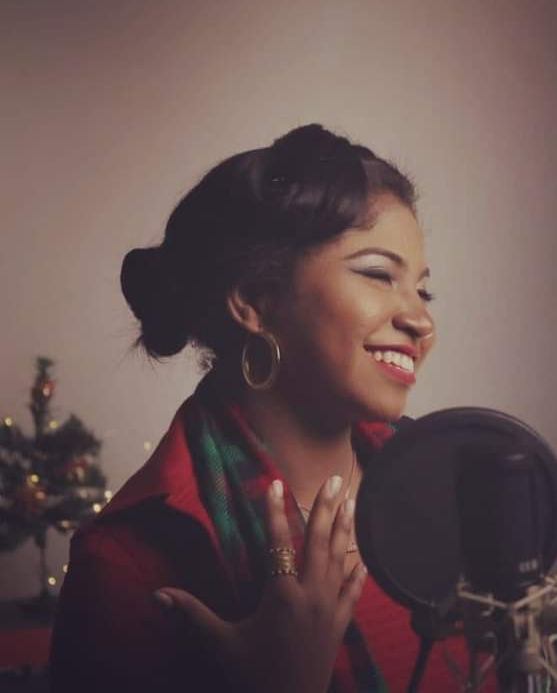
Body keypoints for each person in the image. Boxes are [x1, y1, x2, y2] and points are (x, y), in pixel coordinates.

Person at [49, 124, 494, 692]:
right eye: (379, 275)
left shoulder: (447, 500)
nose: (421, 321)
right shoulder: (128, 561)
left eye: (423, 291)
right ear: (254, 302)